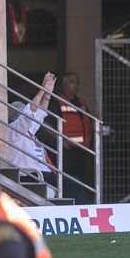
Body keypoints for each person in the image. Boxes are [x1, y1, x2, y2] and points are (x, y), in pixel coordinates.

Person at [6, 73, 57, 197]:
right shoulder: (14, 131)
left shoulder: (29, 130)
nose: (31, 112)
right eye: (24, 109)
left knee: (70, 182)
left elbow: (40, 113)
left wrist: (47, 93)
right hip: (32, 176)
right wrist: (42, 90)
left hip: (42, 174)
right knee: (74, 187)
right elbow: (29, 115)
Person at [50, 72, 93, 205]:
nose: (76, 85)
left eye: (77, 82)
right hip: (66, 150)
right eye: (72, 82)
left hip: (82, 150)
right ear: (65, 84)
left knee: (82, 180)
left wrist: (89, 139)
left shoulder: (82, 103)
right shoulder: (58, 102)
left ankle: (81, 204)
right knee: (67, 180)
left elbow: (89, 123)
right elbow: (48, 124)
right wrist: (61, 141)